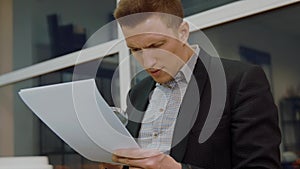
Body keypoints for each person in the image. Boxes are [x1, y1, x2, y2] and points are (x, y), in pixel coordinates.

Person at [101, 0, 281, 168]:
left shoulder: (240, 81)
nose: (147, 63)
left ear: (183, 33)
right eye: (135, 49)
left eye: (156, 45)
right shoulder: (137, 92)